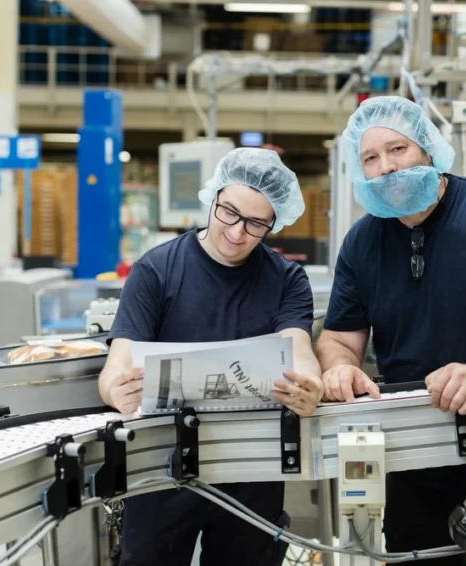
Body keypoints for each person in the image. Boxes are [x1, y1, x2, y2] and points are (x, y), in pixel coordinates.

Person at [316, 96, 466, 565]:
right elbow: (340, 338)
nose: (386, 167)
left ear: (427, 148)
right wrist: (340, 369)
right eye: (371, 158)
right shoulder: (363, 240)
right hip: (414, 450)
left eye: (398, 149)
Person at [98, 147, 325, 566]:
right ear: (213, 197)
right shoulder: (156, 271)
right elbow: (117, 363)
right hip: (162, 465)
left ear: (274, 223)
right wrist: (117, 389)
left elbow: (299, 348)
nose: (237, 232)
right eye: (229, 213)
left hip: (252, 467)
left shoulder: (286, 279)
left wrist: (311, 385)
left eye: (256, 223)